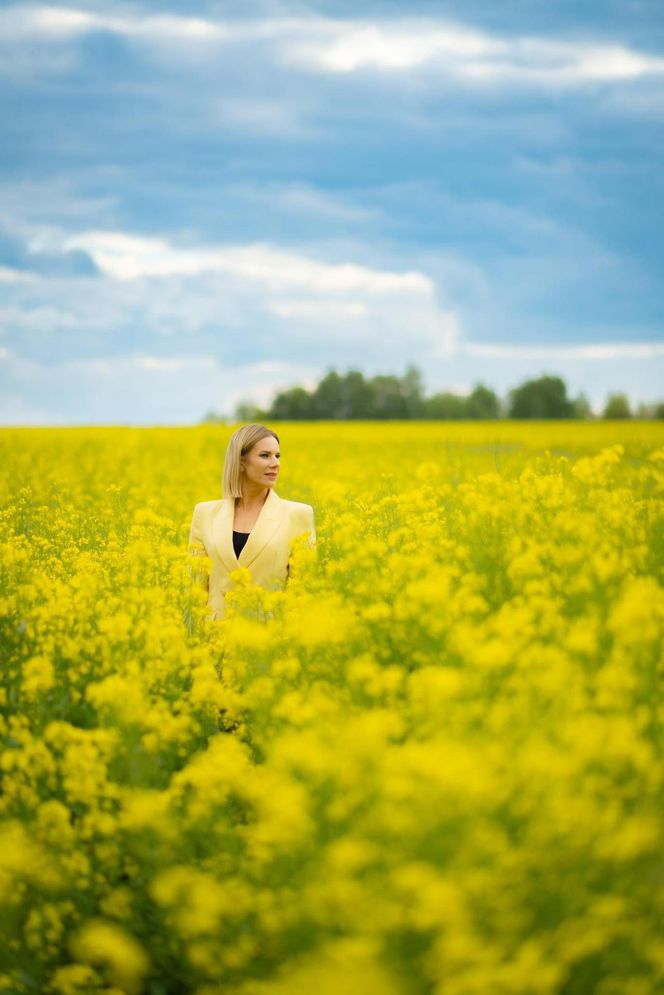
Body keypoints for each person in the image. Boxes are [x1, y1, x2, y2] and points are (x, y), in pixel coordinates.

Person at [188, 424, 316, 620]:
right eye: (265, 455)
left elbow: (302, 593)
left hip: (267, 641)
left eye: (277, 456)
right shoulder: (205, 514)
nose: (275, 463)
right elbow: (194, 592)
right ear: (240, 462)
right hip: (214, 639)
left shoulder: (299, 515)